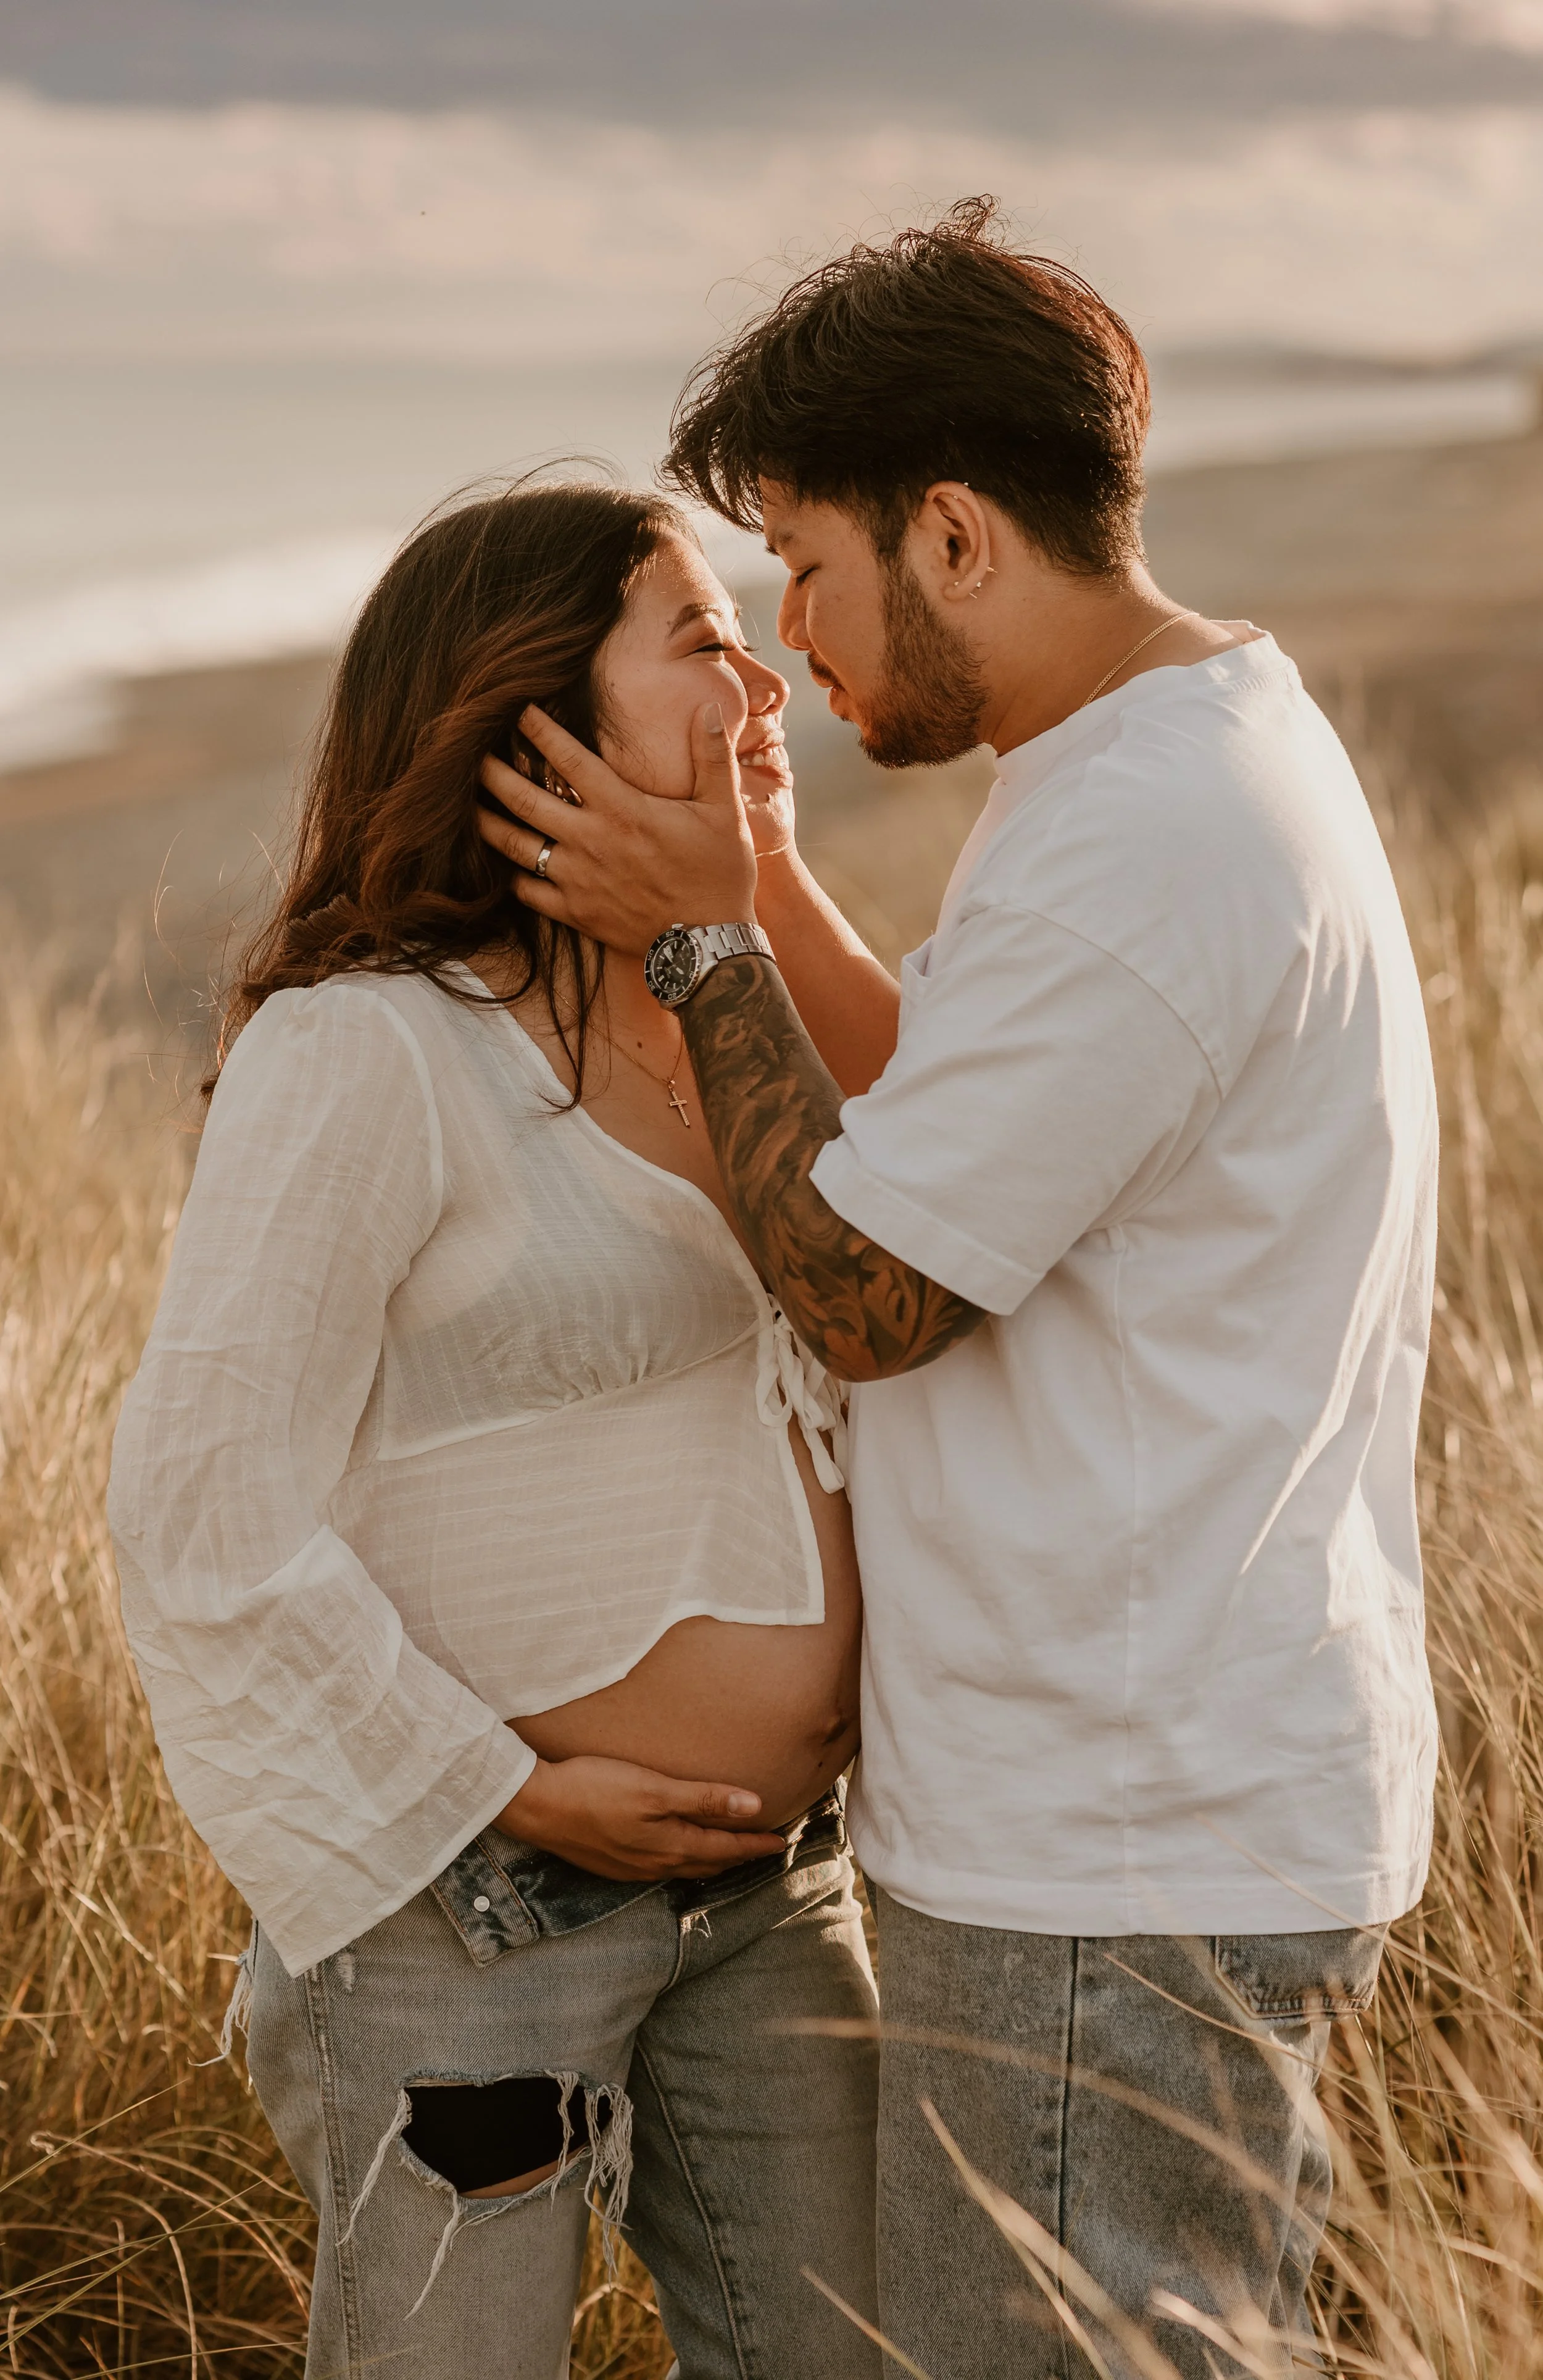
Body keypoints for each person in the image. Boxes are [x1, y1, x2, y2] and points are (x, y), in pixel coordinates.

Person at [475, 200, 1441, 2379]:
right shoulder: (1151, 764)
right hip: (1156, 1786)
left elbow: (872, 1288)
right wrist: (782, 887)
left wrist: (698, 940)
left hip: (1118, 1832)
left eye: (806, 567)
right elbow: (966, 1119)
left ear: (952, 532)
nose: (789, 638)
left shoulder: (1146, 839)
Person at [108, 480, 884, 2380]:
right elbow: (201, 1508)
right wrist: (498, 1790)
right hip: (479, 1906)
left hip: (784, 1888)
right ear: (529, 712)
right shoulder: (369, 1046)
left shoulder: (741, 1008)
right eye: (699, 639)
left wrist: (746, 889)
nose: (764, 670)